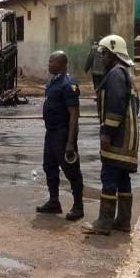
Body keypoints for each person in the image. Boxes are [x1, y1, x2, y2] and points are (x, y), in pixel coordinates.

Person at [83, 35, 140, 235]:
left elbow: (115, 105)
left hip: (117, 139)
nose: (103, 57)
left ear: (113, 54)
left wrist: (107, 132)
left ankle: (104, 222)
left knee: (108, 176)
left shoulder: (115, 73)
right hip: (128, 139)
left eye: (105, 53)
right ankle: (123, 221)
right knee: (123, 177)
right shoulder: (126, 73)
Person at [36, 51, 84, 220]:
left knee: (71, 171)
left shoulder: (69, 84)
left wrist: (70, 142)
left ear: (62, 64)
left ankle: (78, 207)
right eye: (49, 61)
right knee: (49, 166)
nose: (49, 64)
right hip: (51, 132)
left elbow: (74, 114)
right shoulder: (52, 82)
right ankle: (54, 202)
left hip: (63, 134)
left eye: (52, 62)